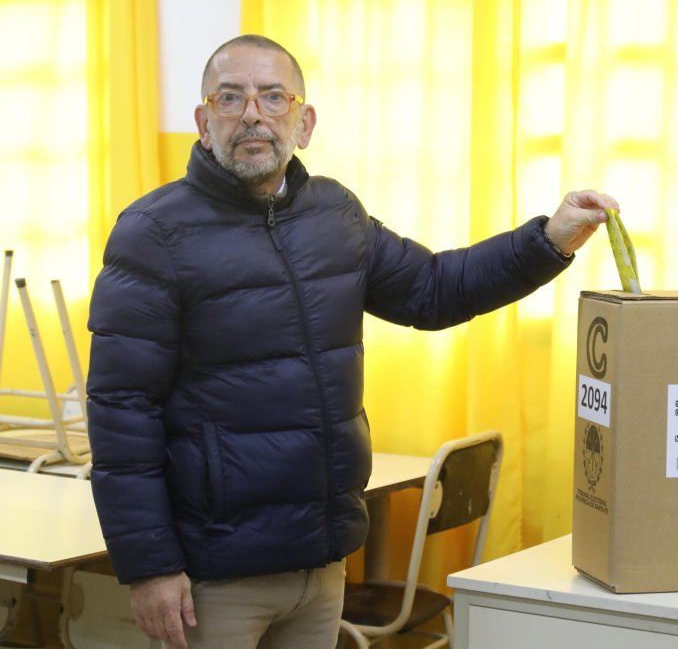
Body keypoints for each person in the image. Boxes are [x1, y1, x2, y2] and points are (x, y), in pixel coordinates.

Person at [86, 34, 620, 649]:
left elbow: (435, 289)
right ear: (204, 123)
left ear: (304, 121)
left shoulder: (335, 215)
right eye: (229, 98)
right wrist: (150, 566)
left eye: (272, 97)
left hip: (321, 563)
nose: (252, 114)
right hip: (214, 575)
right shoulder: (154, 233)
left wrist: (548, 241)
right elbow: (123, 412)